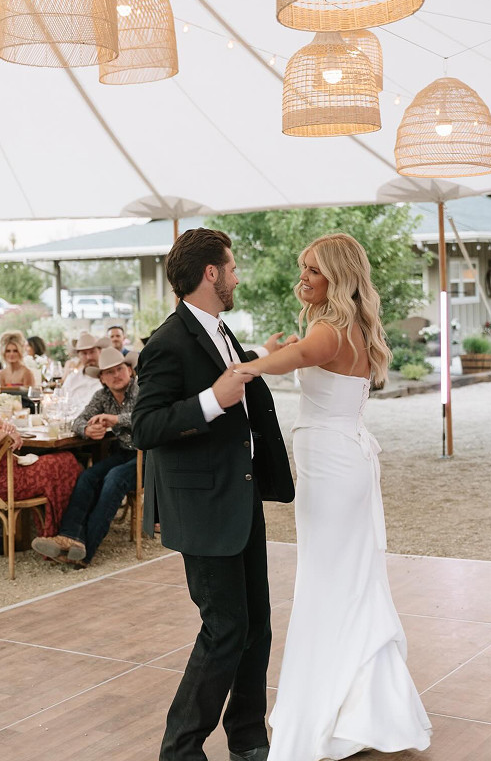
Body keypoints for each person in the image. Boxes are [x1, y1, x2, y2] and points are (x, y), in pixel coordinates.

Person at [234, 234, 432, 761]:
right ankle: (362, 705)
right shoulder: (351, 326)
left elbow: (302, 354)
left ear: (338, 278)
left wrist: (248, 365)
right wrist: (273, 353)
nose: (303, 278)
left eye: (313, 271)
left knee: (329, 581)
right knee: (344, 580)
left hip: (335, 469)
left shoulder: (330, 329)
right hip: (340, 462)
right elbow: (300, 355)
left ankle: (329, 709)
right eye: (303, 268)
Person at [132, 228, 295, 761]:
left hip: (239, 496)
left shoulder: (221, 330)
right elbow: (145, 426)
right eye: (232, 266)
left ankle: (248, 738)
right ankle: (180, 750)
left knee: (256, 624)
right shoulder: (166, 342)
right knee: (225, 628)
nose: (237, 276)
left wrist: (261, 360)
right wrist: (211, 399)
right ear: (211, 273)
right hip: (203, 508)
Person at [32, 346, 140, 568]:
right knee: (87, 477)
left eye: (119, 369)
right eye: (109, 372)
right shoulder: (102, 396)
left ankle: (85, 551)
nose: (116, 375)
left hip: (149, 454)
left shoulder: (142, 390)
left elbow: (148, 417)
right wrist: (87, 430)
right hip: (122, 452)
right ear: (102, 378)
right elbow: (78, 420)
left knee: (114, 479)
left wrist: (116, 419)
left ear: (129, 370)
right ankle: (69, 537)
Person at [0, 419, 82, 537]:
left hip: (11, 474)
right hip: (9, 484)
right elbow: (6, 431)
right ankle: (64, 534)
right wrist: (8, 433)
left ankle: (65, 533)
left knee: (63, 460)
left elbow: (5, 425)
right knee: (65, 461)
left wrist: (9, 428)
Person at [61, 331, 110, 412]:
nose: (89, 357)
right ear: (78, 356)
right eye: (84, 353)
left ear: (100, 351)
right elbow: (61, 404)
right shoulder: (72, 379)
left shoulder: (110, 379)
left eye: (92, 352)